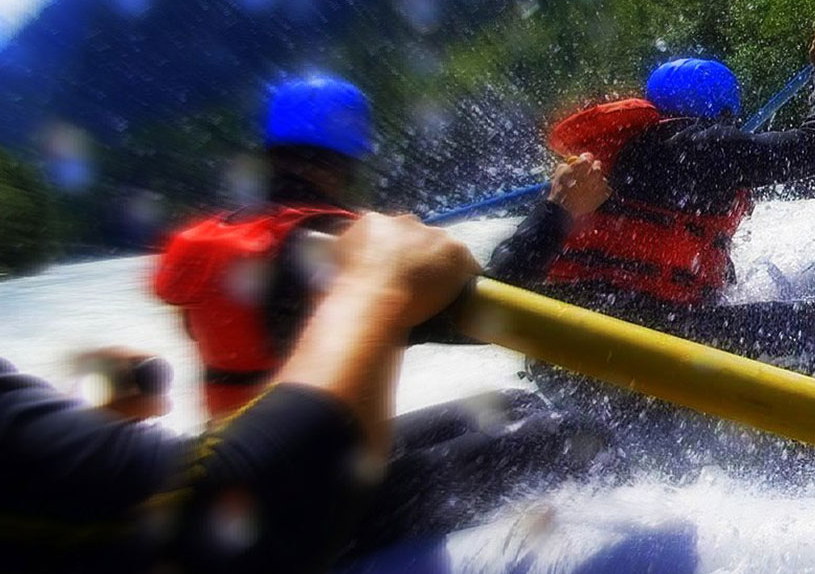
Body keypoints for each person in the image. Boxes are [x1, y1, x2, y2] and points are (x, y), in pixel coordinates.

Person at [147, 77, 614, 556]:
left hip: (238, 464)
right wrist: (558, 212)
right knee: (577, 433)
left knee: (519, 406)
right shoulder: (335, 252)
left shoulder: (212, 239)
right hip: (312, 512)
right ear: (351, 156)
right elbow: (490, 312)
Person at [1, 214, 482, 571]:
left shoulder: (250, 249)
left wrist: (80, 437)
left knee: (507, 414)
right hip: (282, 505)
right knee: (547, 436)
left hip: (268, 461)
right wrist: (380, 282)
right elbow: (223, 509)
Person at [491, 28, 815, 439]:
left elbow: (505, 277)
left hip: (565, 366)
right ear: (720, 113)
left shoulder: (595, 165)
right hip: (655, 354)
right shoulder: (705, 146)